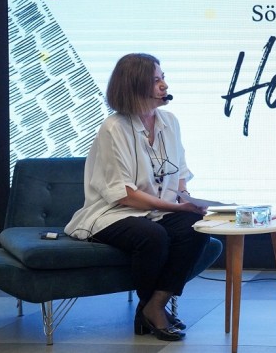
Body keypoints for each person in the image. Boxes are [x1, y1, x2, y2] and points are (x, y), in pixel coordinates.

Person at [64, 53, 209, 341]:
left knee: (196, 227)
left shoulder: (170, 121)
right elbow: (125, 196)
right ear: (134, 85)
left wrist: (187, 203)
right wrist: (177, 208)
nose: (164, 85)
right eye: (156, 80)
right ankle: (151, 311)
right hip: (112, 214)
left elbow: (180, 172)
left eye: (163, 78)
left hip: (157, 211)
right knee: (152, 236)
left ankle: (154, 306)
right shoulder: (114, 128)